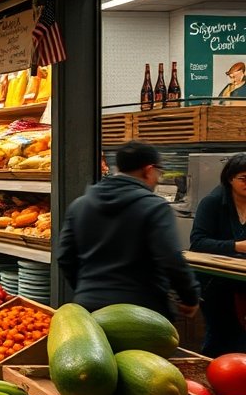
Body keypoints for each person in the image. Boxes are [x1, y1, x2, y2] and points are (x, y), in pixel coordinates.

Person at [56, 141, 200, 320]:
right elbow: (170, 258)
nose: (158, 178)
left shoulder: (80, 205)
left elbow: (64, 257)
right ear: (148, 170)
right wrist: (190, 297)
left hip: (88, 310)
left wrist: (87, 289)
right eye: (158, 172)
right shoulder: (154, 207)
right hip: (140, 313)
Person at [189, 152, 246, 356]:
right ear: (230, 178)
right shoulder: (212, 202)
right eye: (243, 178)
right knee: (219, 336)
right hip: (216, 282)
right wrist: (237, 246)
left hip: (243, 281)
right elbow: (198, 243)